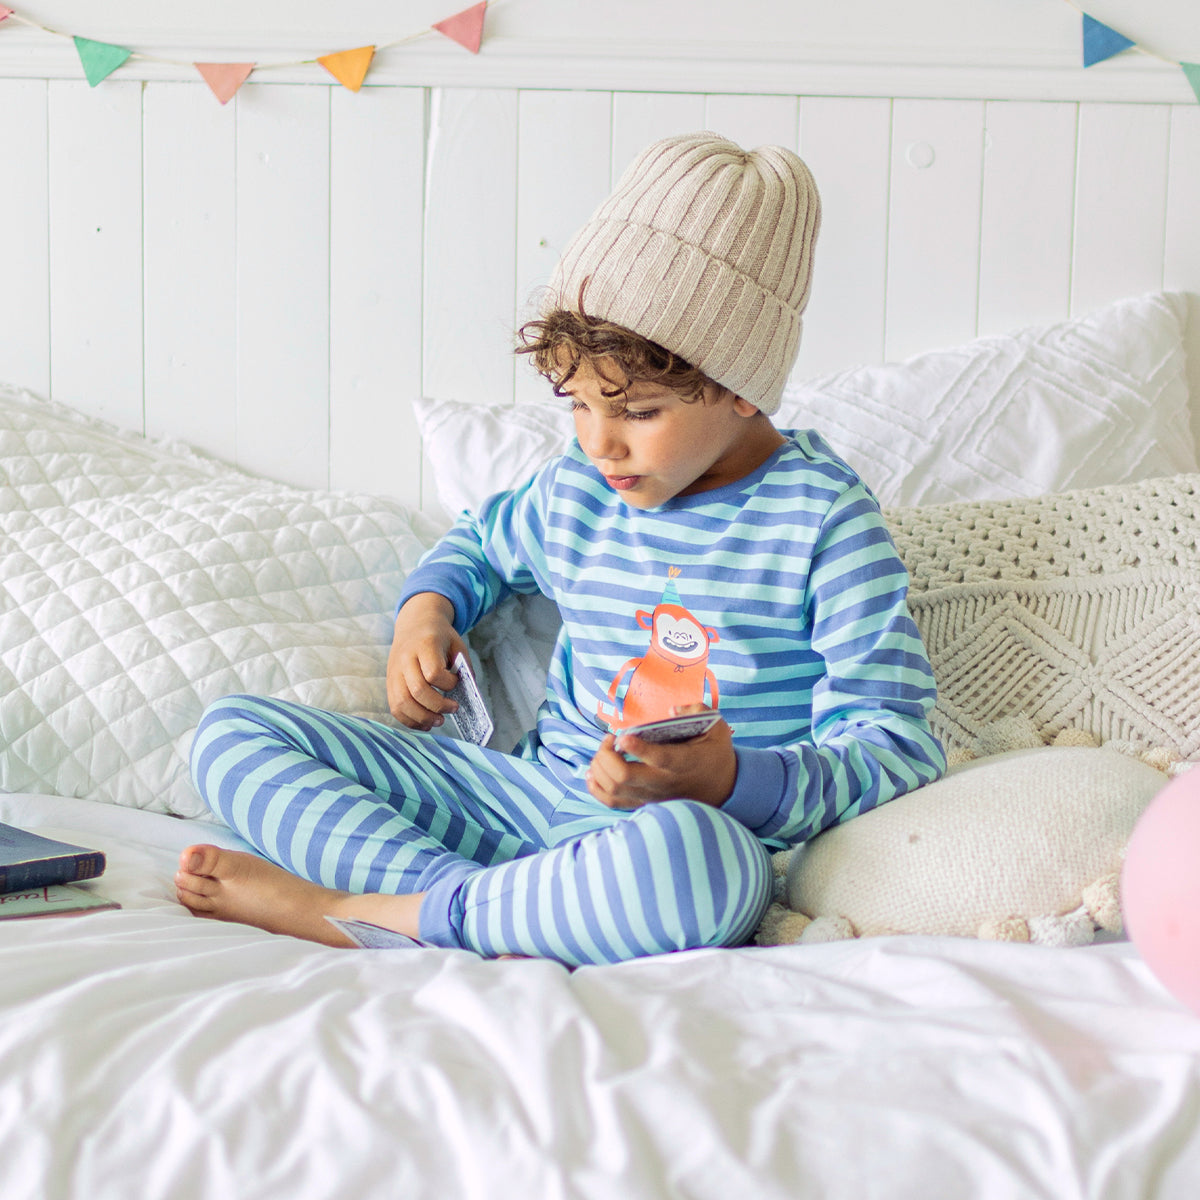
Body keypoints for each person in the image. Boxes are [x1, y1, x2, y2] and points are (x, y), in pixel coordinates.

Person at [175, 132, 947, 966]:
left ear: (741, 389)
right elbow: (477, 545)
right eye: (577, 405)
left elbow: (894, 743)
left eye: (638, 412)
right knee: (229, 736)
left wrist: (728, 784)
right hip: (524, 800)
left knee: (701, 868)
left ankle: (369, 915)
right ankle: (439, 907)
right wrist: (427, 613)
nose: (601, 443)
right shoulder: (578, 487)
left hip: (675, 836)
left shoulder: (823, 522)